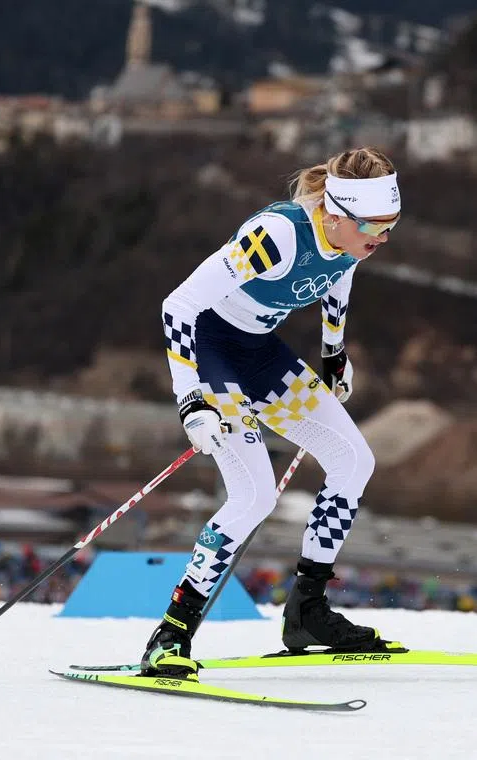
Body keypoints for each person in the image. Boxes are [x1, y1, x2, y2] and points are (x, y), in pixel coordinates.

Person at [141, 147, 402, 677]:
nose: (382, 240)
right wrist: (189, 397)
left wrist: (334, 352)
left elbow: (340, 276)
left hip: (261, 353)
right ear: (335, 215)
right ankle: (171, 633)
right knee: (254, 494)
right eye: (375, 227)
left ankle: (307, 610)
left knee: (355, 460)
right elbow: (178, 306)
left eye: (391, 226)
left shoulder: (352, 240)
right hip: (210, 350)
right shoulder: (278, 237)